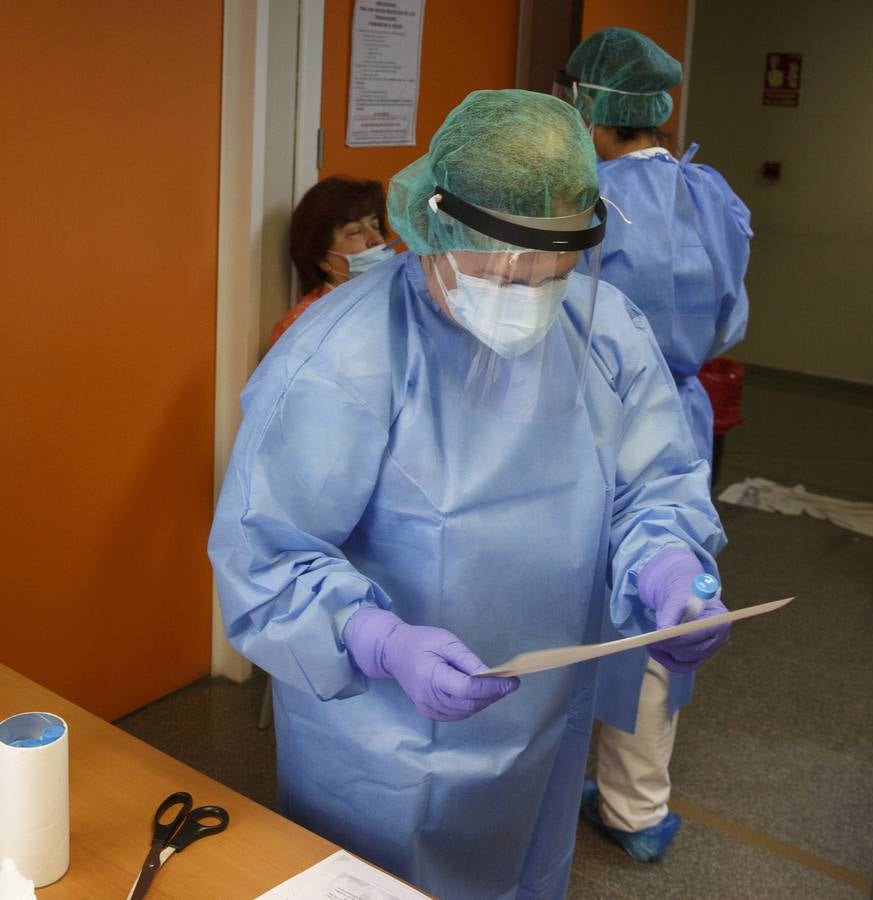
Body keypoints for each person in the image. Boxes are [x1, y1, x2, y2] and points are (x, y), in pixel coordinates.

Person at [207, 89, 732, 900]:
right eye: (496, 275)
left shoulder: (604, 330)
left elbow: (652, 483)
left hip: (541, 724)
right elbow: (264, 555)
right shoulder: (342, 359)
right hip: (380, 738)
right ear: (433, 233)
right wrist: (379, 641)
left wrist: (664, 565)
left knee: (528, 873)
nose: (523, 299)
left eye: (548, 277)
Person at [557, 27, 752, 862]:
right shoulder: (711, 193)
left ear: (591, 104)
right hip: (678, 411)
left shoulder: (577, 198)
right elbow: (731, 311)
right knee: (658, 598)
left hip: (580, 415)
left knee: (571, 594)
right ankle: (638, 808)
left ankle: (555, 780)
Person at [269, 175, 396, 345]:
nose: (376, 239)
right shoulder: (301, 324)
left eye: (376, 226)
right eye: (355, 232)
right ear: (322, 258)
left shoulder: (401, 304)